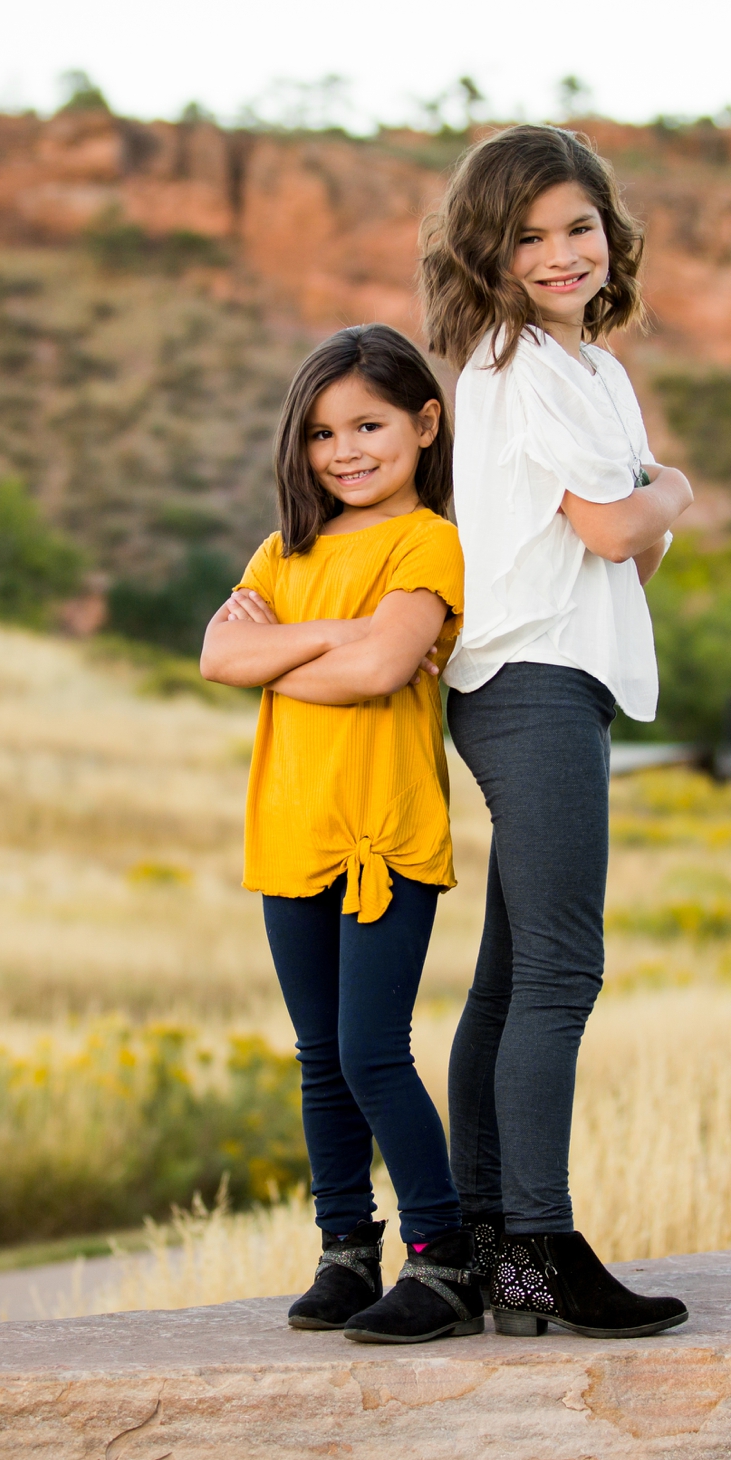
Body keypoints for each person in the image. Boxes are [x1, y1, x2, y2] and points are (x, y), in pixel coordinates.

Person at [417, 124, 694, 1337]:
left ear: (609, 231)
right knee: (562, 972)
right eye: (528, 235)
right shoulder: (524, 360)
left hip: (547, 676)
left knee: (513, 975)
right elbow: (623, 530)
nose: (560, 251)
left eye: (577, 225)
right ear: (492, 249)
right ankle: (538, 1242)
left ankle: (487, 1239)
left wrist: (646, 510)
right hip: (533, 679)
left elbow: (633, 542)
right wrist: (670, 488)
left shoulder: (588, 369)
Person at [197, 323, 486, 1345]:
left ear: (424, 423)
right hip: (290, 832)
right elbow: (217, 659)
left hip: (386, 837)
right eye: (323, 433)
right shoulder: (286, 550)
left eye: (368, 424)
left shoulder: (429, 542)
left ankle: (444, 1260)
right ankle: (345, 1251)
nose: (346, 450)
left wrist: (277, 651)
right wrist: (334, 633)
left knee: (373, 1051)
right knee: (319, 1056)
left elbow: (380, 671)